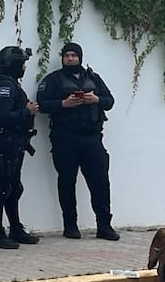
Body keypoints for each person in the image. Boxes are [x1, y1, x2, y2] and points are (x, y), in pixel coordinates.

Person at [36, 42, 120, 240]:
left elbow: (110, 101)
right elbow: (42, 104)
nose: (71, 58)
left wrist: (96, 100)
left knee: (100, 181)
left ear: (80, 57)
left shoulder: (93, 78)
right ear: (63, 58)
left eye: (74, 55)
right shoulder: (53, 80)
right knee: (67, 181)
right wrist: (63, 104)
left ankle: (104, 226)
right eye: (67, 55)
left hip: (92, 138)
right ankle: (70, 225)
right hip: (65, 138)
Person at [0, 45, 41, 249]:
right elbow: (2, 117)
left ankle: (15, 228)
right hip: (3, 143)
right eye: (22, 63)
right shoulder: (4, 87)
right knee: (2, 188)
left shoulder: (12, 85)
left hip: (14, 143)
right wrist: (28, 111)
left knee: (14, 187)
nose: (24, 67)